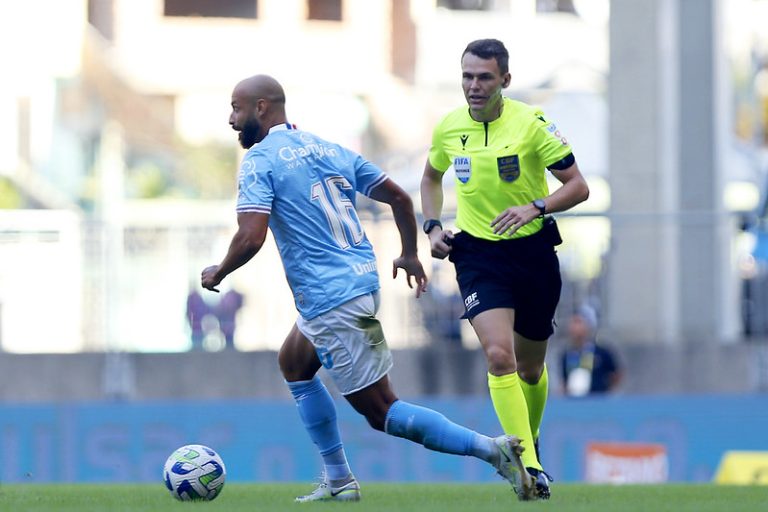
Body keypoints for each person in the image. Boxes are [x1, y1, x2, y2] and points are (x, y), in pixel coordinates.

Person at [201, 74, 531, 503]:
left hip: (331, 300)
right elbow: (399, 197)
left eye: (236, 108)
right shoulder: (328, 148)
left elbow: (251, 236)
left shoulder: (260, 161)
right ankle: (339, 480)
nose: (231, 119)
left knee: (383, 412)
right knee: (295, 364)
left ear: (262, 108)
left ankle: (493, 451)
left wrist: (219, 272)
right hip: (357, 282)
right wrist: (409, 253)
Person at [419, 39, 590, 500]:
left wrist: (536, 206)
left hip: (533, 253)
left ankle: (528, 442)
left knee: (531, 368)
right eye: (468, 76)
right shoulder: (449, 128)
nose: (474, 86)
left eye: (485, 78)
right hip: (477, 255)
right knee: (499, 355)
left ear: (505, 81)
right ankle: (529, 464)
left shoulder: (533, 125)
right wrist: (433, 227)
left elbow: (578, 187)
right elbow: (431, 178)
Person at [560, 305, 622, 396]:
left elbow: (616, 374)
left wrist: (605, 392)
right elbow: (564, 381)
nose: (574, 327)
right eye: (572, 323)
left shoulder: (602, 352)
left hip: (598, 402)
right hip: (574, 404)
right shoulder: (566, 355)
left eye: (578, 322)